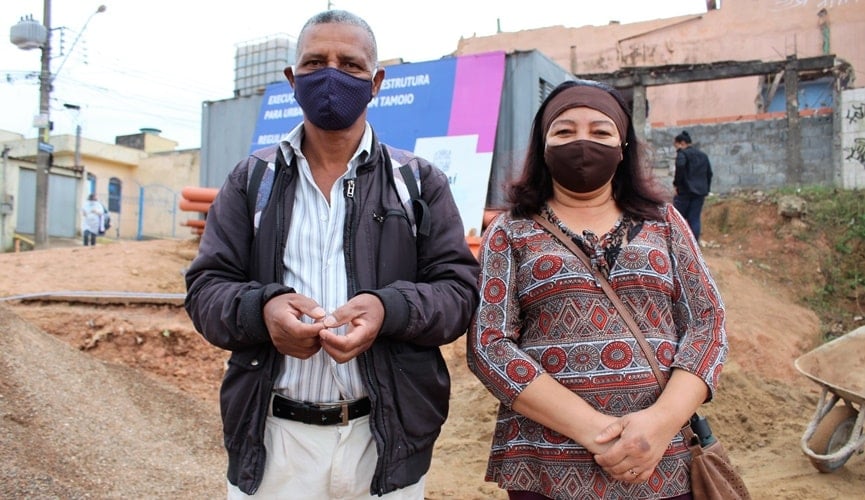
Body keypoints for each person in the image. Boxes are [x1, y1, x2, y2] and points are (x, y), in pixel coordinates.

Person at [184, 9, 480, 500]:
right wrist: (265, 311)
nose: (331, 76)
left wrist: (389, 310)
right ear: (291, 80)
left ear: (377, 81)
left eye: (351, 65)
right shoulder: (249, 181)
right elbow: (206, 288)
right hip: (274, 440)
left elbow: (458, 291)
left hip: (383, 440)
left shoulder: (418, 182)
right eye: (315, 62)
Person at [466, 79, 728, 499]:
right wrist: (599, 432)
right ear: (543, 145)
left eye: (600, 131)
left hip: (660, 462)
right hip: (547, 466)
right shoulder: (509, 231)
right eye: (565, 131)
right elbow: (489, 344)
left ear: (623, 145)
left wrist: (660, 424)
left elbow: (707, 323)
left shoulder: (666, 223)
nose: (582, 144)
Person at [672, 130, 712, 242]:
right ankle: (694, 246)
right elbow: (709, 173)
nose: (677, 149)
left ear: (682, 143)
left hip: (684, 192)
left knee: (678, 219)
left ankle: (678, 244)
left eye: (677, 145)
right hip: (700, 192)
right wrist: (706, 189)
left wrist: (676, 185)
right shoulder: (703, 155)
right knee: (694, 219)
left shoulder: (682, 154)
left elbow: (680, 169)